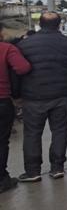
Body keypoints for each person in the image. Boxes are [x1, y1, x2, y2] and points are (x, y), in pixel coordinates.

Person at [17, 12, 67, 182]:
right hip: (62, 94)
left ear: (40, 24)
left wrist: (16, 95)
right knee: (60, 131)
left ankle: (33, 172)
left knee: (32, 133)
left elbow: (17, 72)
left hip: (33, 97)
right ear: (59, 24)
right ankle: (57, 168)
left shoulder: (24, 45)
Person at [0, 23, 32, 194]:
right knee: (1, 141)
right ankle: (2, 179)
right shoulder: (7, 48)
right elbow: (22, 67)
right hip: (2, 99)